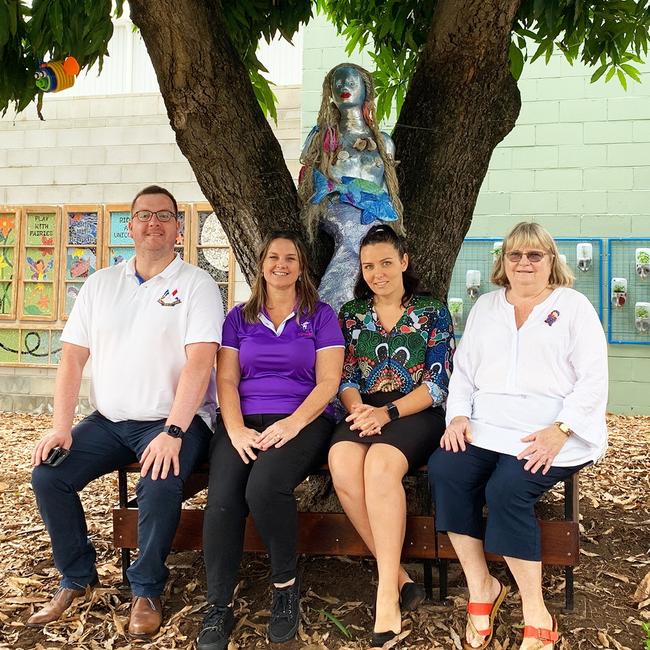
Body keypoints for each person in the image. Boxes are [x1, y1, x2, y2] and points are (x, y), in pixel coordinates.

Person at [29, 185, 224, 637]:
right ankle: (77, 576)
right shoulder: (100, 284)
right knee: (49, 475)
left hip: (175, 419)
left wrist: (174, 430)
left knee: (158, 479)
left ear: (178, 227)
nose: (152, 222)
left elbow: (201, 361)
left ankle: (147, 588)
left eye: (163, 215)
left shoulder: (196, 284)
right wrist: (60, 427)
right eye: (143, 215)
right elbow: (73, 358)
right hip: (109, 421)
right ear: (130, 225)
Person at [429, 222, 608, 650]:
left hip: (549, 431)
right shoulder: (486, 307)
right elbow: (464, 374)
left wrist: (561, 429)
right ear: (503, 262)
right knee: (445, 470)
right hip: (486, 427)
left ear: (551, 261)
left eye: (535, 255)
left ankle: (535, 610)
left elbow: (593, 379)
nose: (524, 263)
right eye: (515, 255)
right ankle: (481, 588)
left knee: (508, 488)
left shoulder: (573, 306)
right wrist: (456, 417)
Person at [197, 232, 344, 650]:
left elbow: (329, 381)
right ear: (261, 264)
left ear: (301, 267)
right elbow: (226, 379)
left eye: (291, 258)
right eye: (274, 257)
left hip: (304, 419)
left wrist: (295, 423)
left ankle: (285, 586)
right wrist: (236, 427)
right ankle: (217, 607)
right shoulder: (238, 318)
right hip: (243, 419)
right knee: (223, 497)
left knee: (263, 488)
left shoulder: (320, 315)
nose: (282, 264)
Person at [328, 224, 454, 648]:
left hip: (414, 410)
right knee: (342, 461)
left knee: (381, 466)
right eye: (368, 266)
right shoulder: (351, 314)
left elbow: (438, 383)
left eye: (385, 262)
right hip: (364, 410)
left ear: (404, 261)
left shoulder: (432, 312)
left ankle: (385, 592)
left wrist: (387, 412)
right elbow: (344, 376)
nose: (377, 272)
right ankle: (399, 577)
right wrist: (357, 409)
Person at [298, 63, 404, 311]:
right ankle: (328, 310)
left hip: (375, 208)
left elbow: (387, 187)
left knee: (380, 241)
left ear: (366, 90)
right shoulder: (323, 136)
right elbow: (308, 176)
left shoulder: (383, 142)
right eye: (338, 83)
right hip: (336, 203)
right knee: (357, 233)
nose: (344, 87)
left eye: (351, 82)